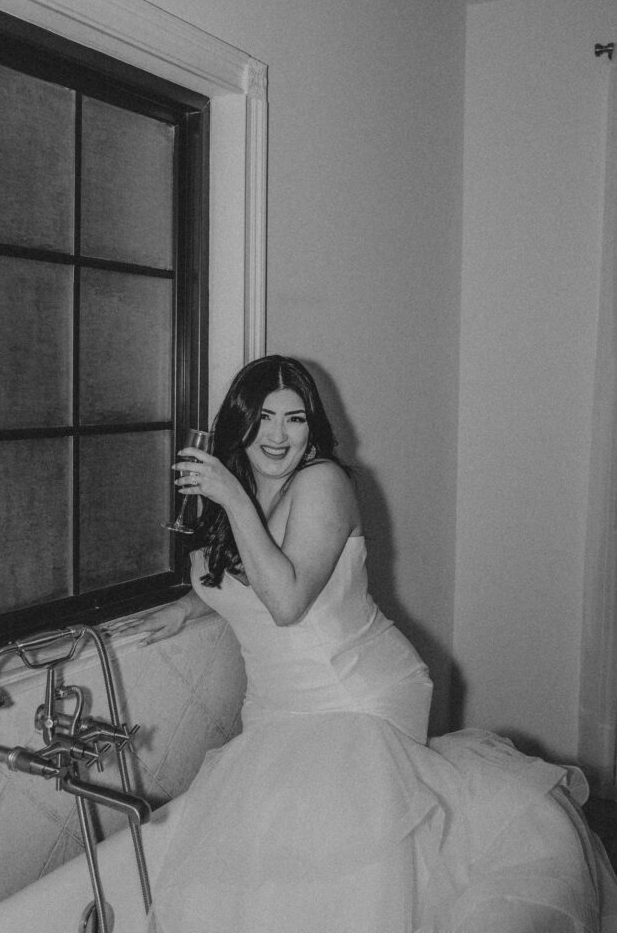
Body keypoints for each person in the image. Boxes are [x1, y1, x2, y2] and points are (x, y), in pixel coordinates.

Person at [112, 355, 617, 933]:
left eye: (296, 419)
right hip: (278, 703)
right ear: (239, 424)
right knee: (275, 850)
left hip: (354, 690)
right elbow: (243, 572)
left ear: (313, 426)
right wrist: (186, 607)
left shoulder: (323, 482)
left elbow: (287, 599)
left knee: (348, 852)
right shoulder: (245, 494)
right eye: (265, 418)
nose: (279, 436)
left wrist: (229, 496)